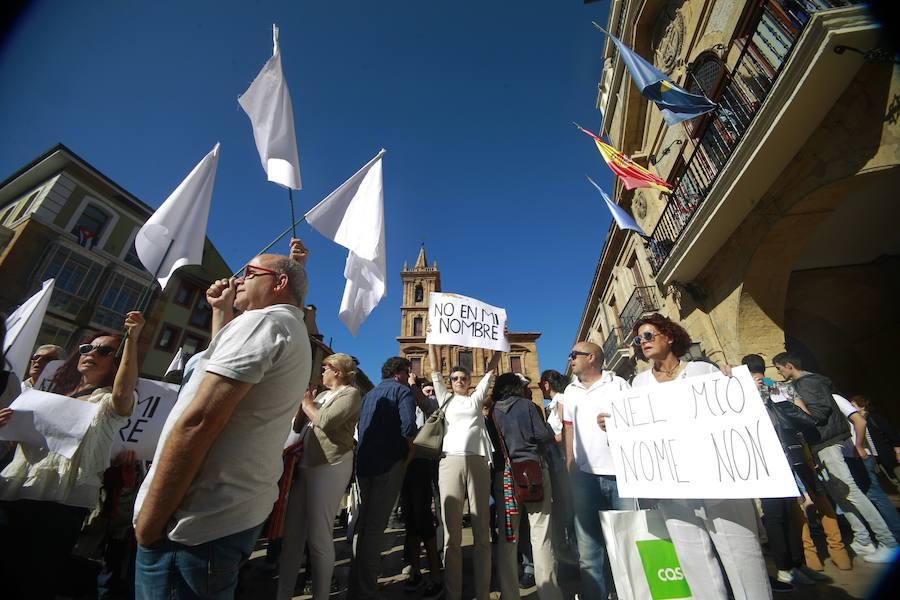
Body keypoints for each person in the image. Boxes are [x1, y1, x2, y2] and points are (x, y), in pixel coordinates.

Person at [133, 253, 311, 599]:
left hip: (190, 525)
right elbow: (221, 368)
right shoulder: (286, 328)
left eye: (249, 272)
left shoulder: (263, 323)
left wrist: (150, 521)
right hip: (226, 517)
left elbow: (200, 420)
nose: (238, 278)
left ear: (279, 283)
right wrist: (221, 310)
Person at [625, 314, 771, 600]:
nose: (642, 342)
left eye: (649, 335)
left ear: (669, 336)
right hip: (674, 488)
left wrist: (734, 382)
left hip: (720, 482)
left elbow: (734, 410)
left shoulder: (703, 371)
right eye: (638, 339)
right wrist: (615, 425)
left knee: (743, 557)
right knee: (693, 561)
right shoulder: (638, 384)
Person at [0, 311, 145, 600]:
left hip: (59, 504)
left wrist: (132, 340)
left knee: (32, 581)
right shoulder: (46, 394)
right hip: (14, 490)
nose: (92, 353)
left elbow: (123, 391)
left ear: (116, 363)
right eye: (87, 348)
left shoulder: (107, 404)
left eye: (105, 351)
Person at [773, 352, 898, 563]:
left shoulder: (805, 384)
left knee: (851, 492)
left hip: (826, 442)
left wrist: (789, 405)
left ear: (789, 365)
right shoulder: (817, 381)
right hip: (827, 442)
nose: (779, 372)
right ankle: (863, 539)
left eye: (780, 368)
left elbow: (817, 415)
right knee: (842, 494)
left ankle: (888, 541)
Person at [277, 353, 361, 600]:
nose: (321, 372)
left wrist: (306, 404)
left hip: (331, 464)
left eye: (325, 367)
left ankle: (321, 595)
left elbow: (324, 420)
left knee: (318, 536)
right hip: (305, 466)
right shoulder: (322, 396)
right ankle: (282, 594)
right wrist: (303, 407)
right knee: (292, 537)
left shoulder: (350, 394)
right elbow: (297, 427)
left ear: (337, 371)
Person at [742, 354, 829, 590]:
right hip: (765, 460)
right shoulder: (745, 392)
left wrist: (766, 390)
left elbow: (795, 412)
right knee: (776, 514)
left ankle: (796, 564)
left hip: (783, 456)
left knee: (789, 512)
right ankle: (784, 568)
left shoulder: (772, 389)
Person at [428, 342, 501, 600]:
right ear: (450, 382)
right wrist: (432, 341)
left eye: (463, 377)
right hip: (450, 462)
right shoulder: (444, 398)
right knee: (452, 535)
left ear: (470, 381)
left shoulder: (475, 399)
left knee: (482, 530)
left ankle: (482, 592)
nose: (459, 380)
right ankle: (453, 593)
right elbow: (435, 368)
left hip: (479, 461)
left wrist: (500, 346)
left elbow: (491, 370)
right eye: (455, 378)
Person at [563, 341, 630, 600]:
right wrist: (570, 462)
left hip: (621, 476)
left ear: (591, 357)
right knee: (589, 553)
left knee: (627, 544)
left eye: (574, 355)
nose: (570, 359)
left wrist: (617, 421)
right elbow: (568, 428)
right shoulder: (570, 391)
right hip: (584, 479)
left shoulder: (619, 384)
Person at [348, 356, 417, 600]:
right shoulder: (403, 392)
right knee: (376, 528)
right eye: (408, 372)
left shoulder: (369, 395)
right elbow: (409, 427)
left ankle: (355, 585)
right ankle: (366, 590)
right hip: (389, 463)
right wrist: (411, 452)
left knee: (363, 526)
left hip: (365, 465)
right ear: (400, 372)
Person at [491, 372, 563, 600]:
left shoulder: (491, 413)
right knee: (541, 535)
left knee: (508, 538)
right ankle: (549, 593)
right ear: (515, 388)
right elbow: (542, 436)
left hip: (505, 478)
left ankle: (509, 594)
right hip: (533, 475)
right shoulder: (527, 406)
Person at [831, 393, 900, 543]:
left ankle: (895, 533)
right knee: (870, 495)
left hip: (858, 455)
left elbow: (860, 422)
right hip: (853, 455)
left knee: (874, 494)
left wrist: (859, 446)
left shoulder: (835, 399)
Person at [400, 373, 444, 599]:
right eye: (424, 390)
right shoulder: (406, 403)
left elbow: (424, 402)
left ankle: (436, 573)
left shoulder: (433, 404)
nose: (427, 393)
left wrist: (414, 385)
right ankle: (416, 569)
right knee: (411, 519)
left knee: (425, 516)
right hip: (407, 463)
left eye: (429, 390)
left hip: (425, 462)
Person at [851, 395, 900, 489]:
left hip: (890, 455)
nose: (851, 408)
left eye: (853, 406)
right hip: (877, 458)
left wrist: (898, 451)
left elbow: (891, 433)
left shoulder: (874, 418)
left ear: (862, 406)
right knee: (894, 482)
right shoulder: (856, 423)